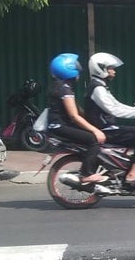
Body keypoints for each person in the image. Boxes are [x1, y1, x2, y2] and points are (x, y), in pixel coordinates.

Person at [85, 52, 135, 189]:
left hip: (106, 127)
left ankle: (127, 167)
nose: (114, 71)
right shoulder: (97, 89)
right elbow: (114, 110)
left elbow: (117, 104)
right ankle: (133, 174)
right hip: (104, 129)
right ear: (101, 69)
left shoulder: (100, 86)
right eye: (111, 68)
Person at [45, 53, 106, 184]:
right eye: (76, 68)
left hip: (58, 126)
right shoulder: (65, 90)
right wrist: (95, 131)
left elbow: (79, 111)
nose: (79, 71)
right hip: (60, 127)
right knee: (93, 140)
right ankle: (86, 174)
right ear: (68, 69)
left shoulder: (60, 87)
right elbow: (74, 116)